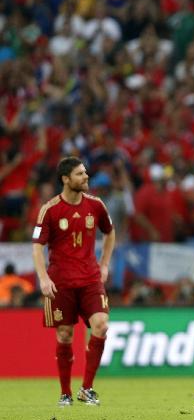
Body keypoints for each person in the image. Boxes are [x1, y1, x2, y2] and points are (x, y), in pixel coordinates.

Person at [32, 157, 115, 406]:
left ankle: (86, 389)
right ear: (66, 179)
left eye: (85, 172)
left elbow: (110, 233)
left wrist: (104, 264)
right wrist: (43, 278)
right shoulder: (50, 209)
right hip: (61, 282)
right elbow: (37, 247)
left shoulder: (96, 206)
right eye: (80, 174)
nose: (86, 177)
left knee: (101, 324)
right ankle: (65, 393)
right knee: (65, 334)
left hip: (90, 279)